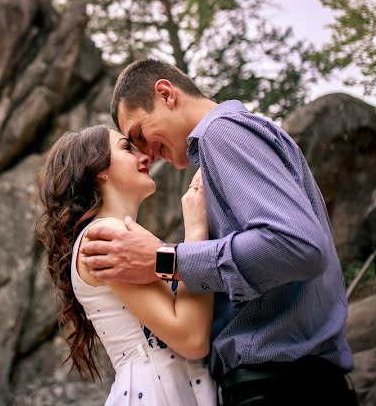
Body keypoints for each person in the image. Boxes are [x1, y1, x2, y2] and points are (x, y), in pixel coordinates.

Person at [80, 59, 357, 406]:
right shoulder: (229, 139)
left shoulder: (221, 133)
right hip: (295, 379)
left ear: (166, 94)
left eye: (139, 135)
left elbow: (296, 245)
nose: (147, 154)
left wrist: (165, 259)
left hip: (283, 384)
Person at [36, 124, 217, 405]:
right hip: (158, 390)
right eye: (126, 148)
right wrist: (195, 231)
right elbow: (191, 338)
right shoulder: (105, 236)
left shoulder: (124, 235)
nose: (143, 156)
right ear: (99, 169)